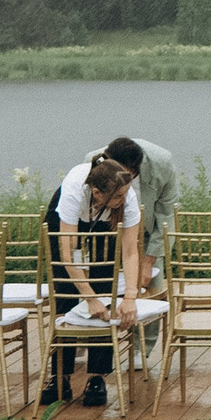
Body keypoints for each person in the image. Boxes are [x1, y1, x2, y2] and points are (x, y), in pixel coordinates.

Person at [40, 135, 177, 405]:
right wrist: (89, 299)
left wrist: (129, 299)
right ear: (97, 193)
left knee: (106, 285)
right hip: (68, 223)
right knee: (66, 291)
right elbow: (68, 256)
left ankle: (96, 377)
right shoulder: (74, 191)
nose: (123, 200)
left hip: (101, 220)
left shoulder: (125, 196)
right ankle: (60, 377)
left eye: (125, 195)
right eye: (118, 197)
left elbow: (129, 252)